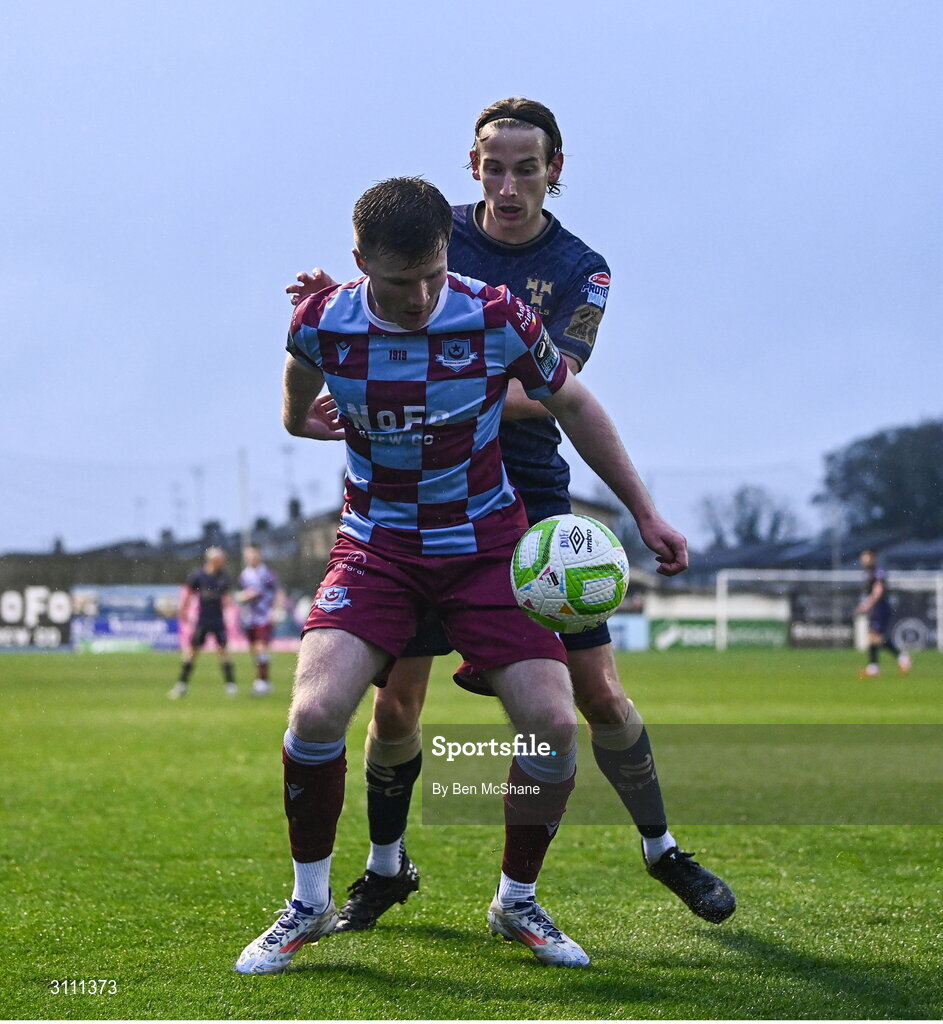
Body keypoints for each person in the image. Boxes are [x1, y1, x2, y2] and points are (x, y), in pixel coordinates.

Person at [286, 97, 735, 932]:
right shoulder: (435, 234)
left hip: (526, 494)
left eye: (526, 168)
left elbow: (549, 389)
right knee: (396, 703)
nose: (507, 184)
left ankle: (660, 847)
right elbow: (368, 305)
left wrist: (641, 508)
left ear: (554, 171)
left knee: (589, 694)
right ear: (472, 166)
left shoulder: (580, 268)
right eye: (494, 166)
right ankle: (385, 868)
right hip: (423, 491)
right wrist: (341, 312)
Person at [169, 546, 237, 698]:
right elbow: (188, 594)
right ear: (212, 560)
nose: (223, 562)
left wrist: (231, 605)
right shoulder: (198, 576)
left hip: (218, 620)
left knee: (223, 652)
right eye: (220, 559)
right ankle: (182, 685)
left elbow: (227, 598)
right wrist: (184, 611)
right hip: (203, 620)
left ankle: (231, 685)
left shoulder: (224, 577)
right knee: (192, 652)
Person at [856, 548, 912, 677]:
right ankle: (874, 667)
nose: (863, 559)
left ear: (872, 557)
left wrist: (867, 605)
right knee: (873, 637)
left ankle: (901, 658)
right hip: (875, 608)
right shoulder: (868, 572)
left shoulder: (877, 572)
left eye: (866, 556)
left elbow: (878, 590)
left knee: (876, 637)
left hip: (880, 607)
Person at [237, 545, 282, 696]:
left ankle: (261, 682)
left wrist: (275, 611)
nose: (251, 558)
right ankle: (264, 680)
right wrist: (243, 597)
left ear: (259, 555)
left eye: (253, 555)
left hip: (264, 615)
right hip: (250, 617)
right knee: (255, 649)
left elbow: (277, 592)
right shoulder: (244, 575)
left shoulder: (267, 573)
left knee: (261, 646)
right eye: (248, 555)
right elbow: (243, 594)